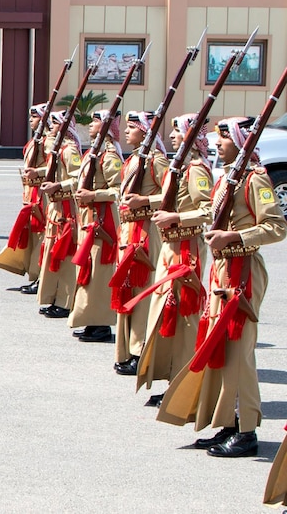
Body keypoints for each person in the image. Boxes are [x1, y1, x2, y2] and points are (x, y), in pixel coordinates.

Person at [157, 117, 286, 457]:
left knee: (239, 353)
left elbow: (276, 227)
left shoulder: (255, 179)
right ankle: (227, 421)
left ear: (241, 141)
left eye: (224, 138)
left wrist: (237, 236)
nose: (217, 143)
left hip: (243, 271)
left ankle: (246, 432)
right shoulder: (228, 178)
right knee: (220, 350)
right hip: (222, 270)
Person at [138, 114, 212, 406]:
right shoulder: (178, 167)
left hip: (186, 247)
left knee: (184, 318)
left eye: (178, 132)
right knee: (166, 314)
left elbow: (209, 211)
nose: (171, 136)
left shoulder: (196, 171)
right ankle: (172, 379)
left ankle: (184, 383)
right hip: (171, 245)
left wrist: (177, 216)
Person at [112, 112, 168, 376]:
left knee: (142, 291)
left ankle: (140, 350)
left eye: (132, 128)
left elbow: (170, 196)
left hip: (145, 231)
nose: (126, 132)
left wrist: (144, 202)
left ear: (145, 133)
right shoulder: (135, 158)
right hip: (129, 229)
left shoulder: (156, 161)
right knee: (127, 288)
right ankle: (126, 349)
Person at [68, 110, 123, 344]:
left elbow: (118, 190)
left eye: (95, 121)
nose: (90, 125)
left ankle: (101, 324)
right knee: (88, 273)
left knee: (99, 275)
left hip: (102, 222)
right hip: (89, 219)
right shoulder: (95, 153)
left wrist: (95, 195)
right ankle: (91, 320)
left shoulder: (109, 156)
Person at [31, 111, 83, 318]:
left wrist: (58, 185)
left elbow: (77, 180)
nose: (50, 126)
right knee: (53, 253)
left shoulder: (69, 151)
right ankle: (54, 297)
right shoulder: (59, 149)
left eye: (54, 123)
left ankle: (65, 300)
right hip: (56, 207)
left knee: (65, 255)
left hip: (66, 209)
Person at [0, 103, 50, 295]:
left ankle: (41, 276)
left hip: (42, 196)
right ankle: (34, 275)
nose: (30, 120)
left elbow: (55, 169)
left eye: (34, 117)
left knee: (41, 236)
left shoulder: (49, 142)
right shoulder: (37, 139)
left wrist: (38, 173)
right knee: (32, 236)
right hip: (31, 193)